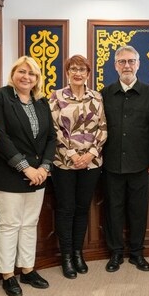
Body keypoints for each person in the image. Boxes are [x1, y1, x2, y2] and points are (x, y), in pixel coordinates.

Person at [0, 56, 56, 296]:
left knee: (29, 224)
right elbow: (0, 136)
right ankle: (8, 275)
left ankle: (28, 269)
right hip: (10, 174)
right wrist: (25, 167)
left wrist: (45, 168)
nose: (26, 77)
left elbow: (50, 138)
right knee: (9, 225)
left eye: (32, 74)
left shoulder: (41, 101)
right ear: (13, 73)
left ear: (37, 79)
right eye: (22, 72)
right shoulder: (0, 97)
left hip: (38, 176)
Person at [102, 46, 149, 272]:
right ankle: (116, 253)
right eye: (121, 62)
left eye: (130, 61)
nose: (126, 66)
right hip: (111, 164)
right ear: (115, 65)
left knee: (139, 211)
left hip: (141, 164)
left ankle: (137, 253)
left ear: (138, 64)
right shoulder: (105, 94)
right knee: (113, 210)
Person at [49, 55, 107, 279]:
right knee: (66, 210)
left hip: (91, 163)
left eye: (82, 69)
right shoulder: (56, 97)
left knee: (83, 209)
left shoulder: (97, 97)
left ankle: (78, 253)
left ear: (88, 73)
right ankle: (66, 257)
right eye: (73, 69)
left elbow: (103, 127)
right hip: (64, 162)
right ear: (67, 72)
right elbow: (55, 129)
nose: (77, 73)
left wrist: (91, 153)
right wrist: (73, 154)